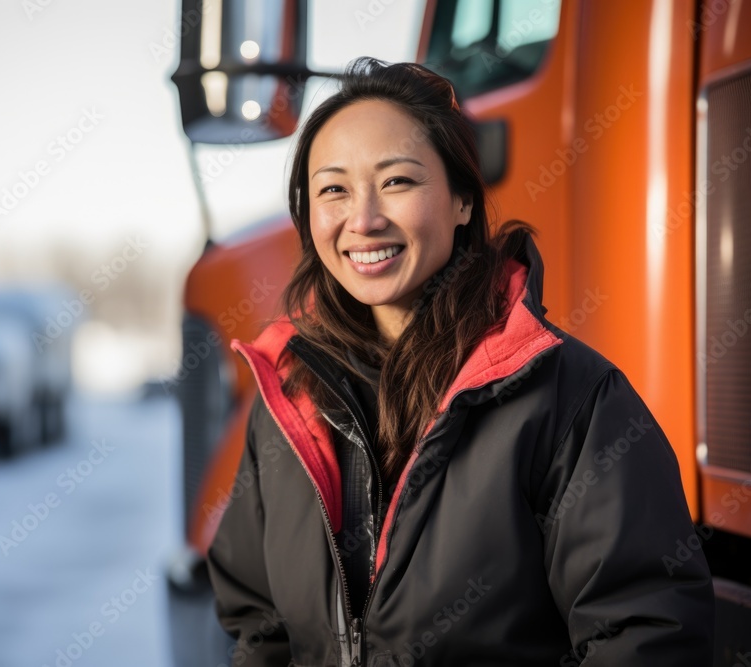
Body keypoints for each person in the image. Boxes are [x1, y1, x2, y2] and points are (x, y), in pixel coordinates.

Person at [205, 56, 714, 667]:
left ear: (463, 202)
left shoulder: (569, 396)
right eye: (333, 189)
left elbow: (646, 629)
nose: (363, 220)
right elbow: (259, 628)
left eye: (397, 182)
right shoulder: (288, 400)